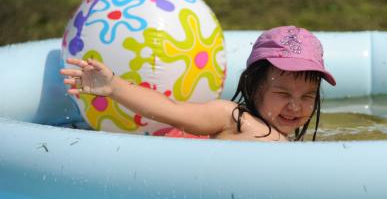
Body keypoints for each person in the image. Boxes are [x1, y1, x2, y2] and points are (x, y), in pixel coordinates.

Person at [61, 26, 336, 141]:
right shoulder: (233, 118)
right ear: (254, 87)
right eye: (282, 92)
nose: (295, 105)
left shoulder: (286, 138)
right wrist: (114, 87)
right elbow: (171, 110)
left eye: (308, 96)